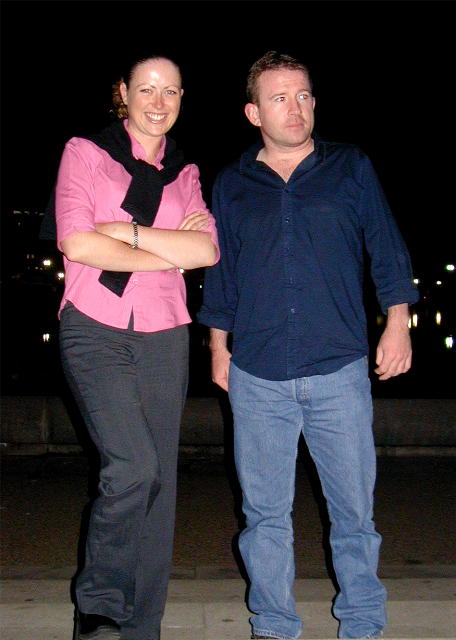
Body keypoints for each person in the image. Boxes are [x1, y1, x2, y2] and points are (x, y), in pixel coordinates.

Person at [198, 51, 419, 640]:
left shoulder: (350, 167)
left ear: (314, 102)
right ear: (254, 112)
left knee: (354, 515)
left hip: (338, 369)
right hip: (257, 374)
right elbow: (223, 271)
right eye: (279, 98)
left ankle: (363, 623)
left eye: (303, 96)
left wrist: (398, 321)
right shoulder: (232, 183)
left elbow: (386, 244)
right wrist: (218, 345)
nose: (294, 108)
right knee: (264, 517)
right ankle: (273, 624)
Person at [53, 55, 218, 640]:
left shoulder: (185, 172)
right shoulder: (85, 152)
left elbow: (206, 251)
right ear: (123, 92)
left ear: (181, 98)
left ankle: (142, 626)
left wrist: (126, 233)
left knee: (159, 483)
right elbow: (77, 243)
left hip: (165, 332)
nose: (158, 101)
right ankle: (98, 608)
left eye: (170, 90)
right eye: (146, 89)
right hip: (94, 326)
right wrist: (168, 251)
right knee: (132, 467)